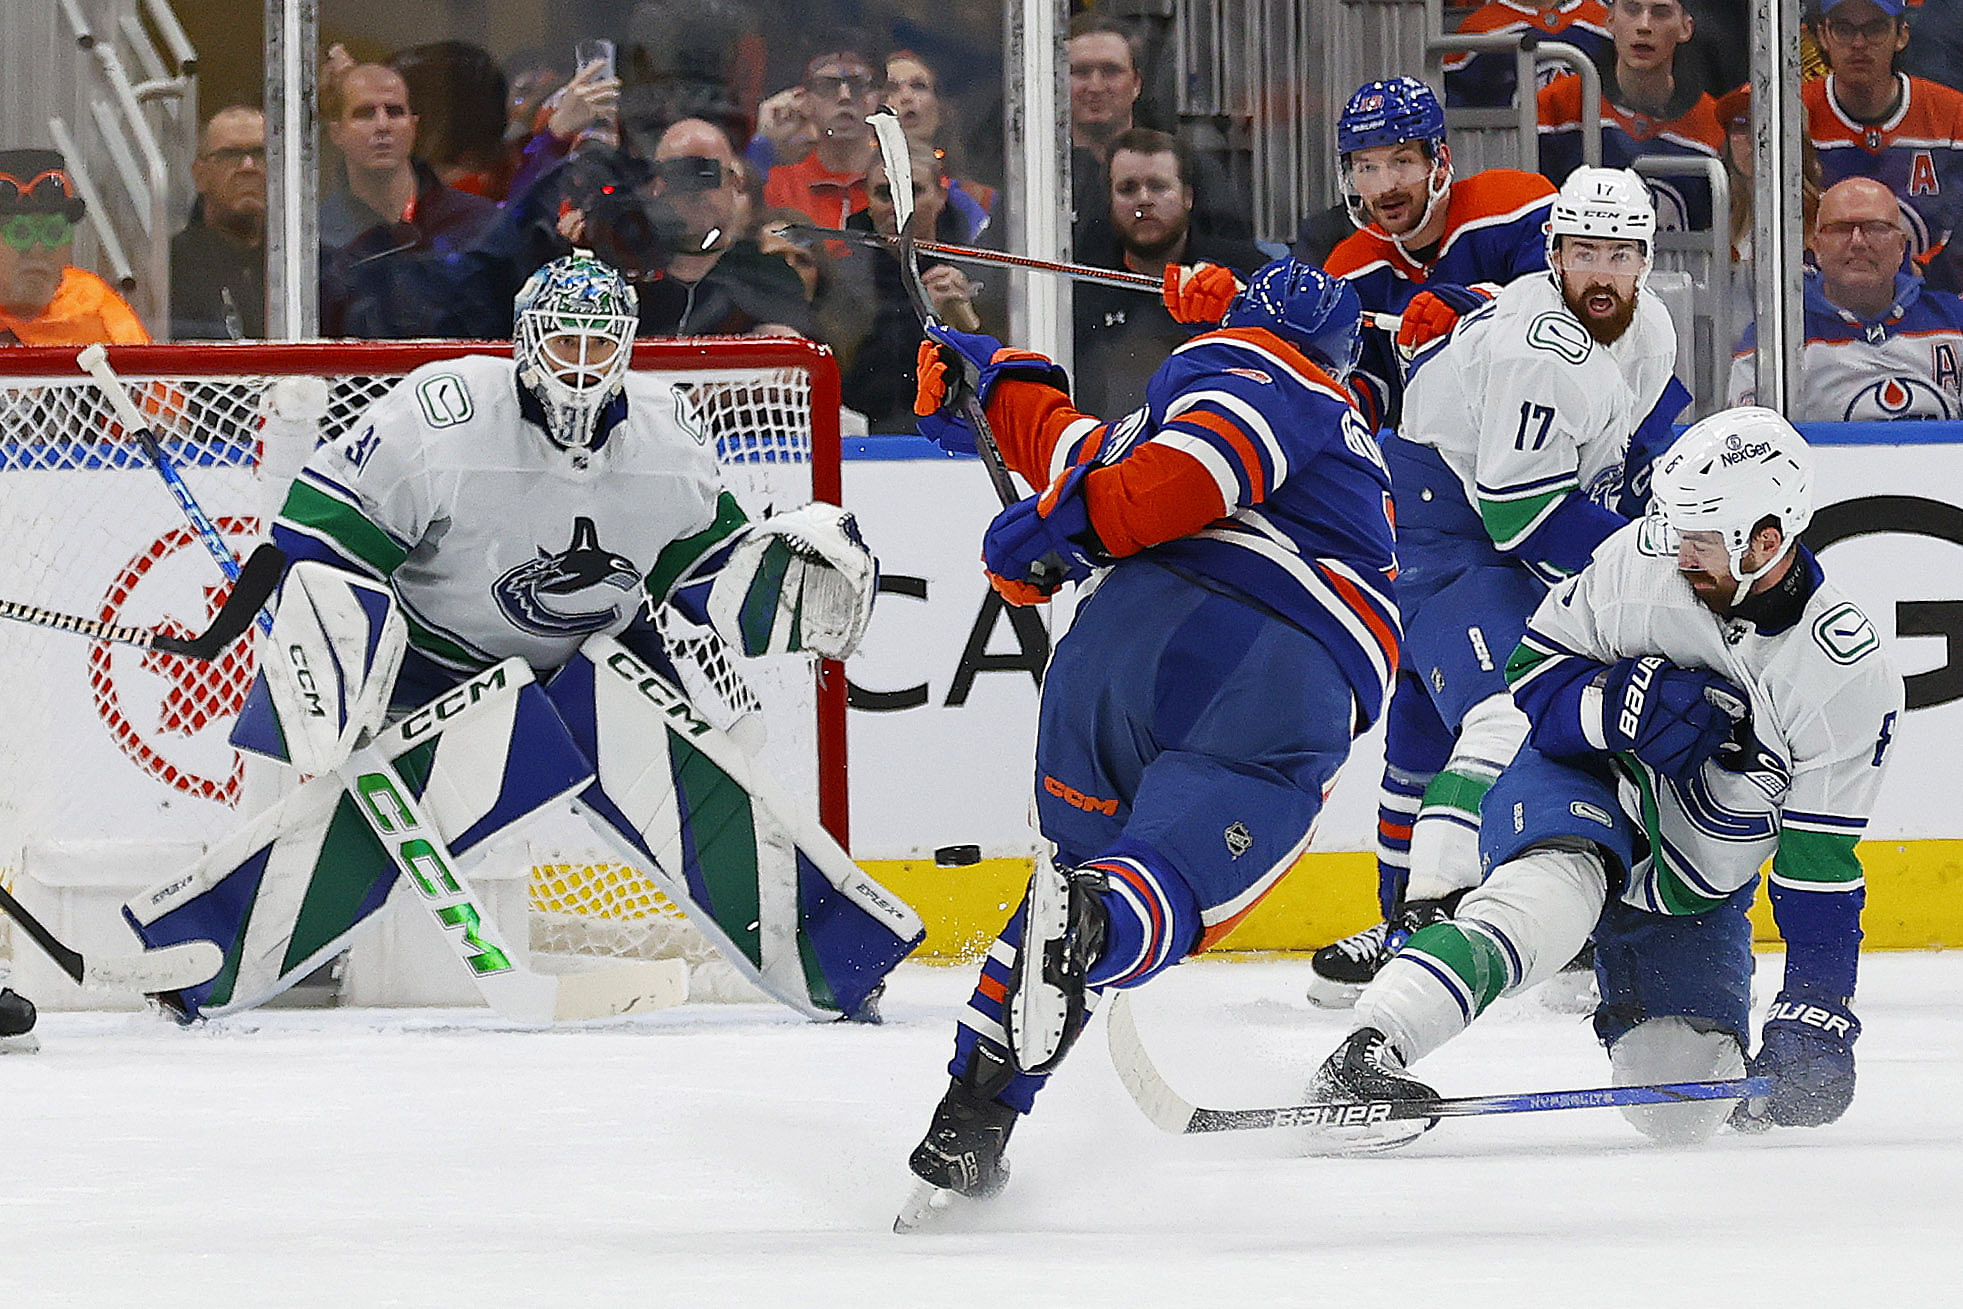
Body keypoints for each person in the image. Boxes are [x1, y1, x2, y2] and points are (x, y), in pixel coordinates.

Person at [133, 252, 904, 1023]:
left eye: (597, 345)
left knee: (708, 778)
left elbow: (704, 572)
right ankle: (197, 957)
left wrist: (776, 591)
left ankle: (838, 960)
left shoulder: (666, 434)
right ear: (524, 340)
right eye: (562, 342)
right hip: (438, 667)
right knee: (372, 823)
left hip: (598, 657)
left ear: (627, 347)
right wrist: (335, 656)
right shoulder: (443, 415)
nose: (579, 365)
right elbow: (322, 533)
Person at [898, 259, 1401, 1220]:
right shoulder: (1287, 382)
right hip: (1258, 659)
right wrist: (1063, 524)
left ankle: (970, 1122)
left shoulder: (1179, 396)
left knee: (1065, 907)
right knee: (1148, 892)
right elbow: (1177, 478)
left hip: (1106, 661)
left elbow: (1095, 458)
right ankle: (1097, 928)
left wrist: (995, 389)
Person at [1311, 411, 1902, 1148]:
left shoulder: (1842, 676)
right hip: (1582, 779)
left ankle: (1635, 991)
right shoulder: (1641, 560)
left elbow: (1819, 871)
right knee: (1549, 898)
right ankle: (1367, 1050)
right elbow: (1529, 675)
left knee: (1679, 1112)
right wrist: (1611, 711)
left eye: (1703, 537)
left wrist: (1813, 1011)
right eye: (1676, 524)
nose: (1679, 550)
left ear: (1767, 540)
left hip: (1689, 881)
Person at [1311, 167, 1689, 1008]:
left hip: (1478, 506)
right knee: (1506, 707)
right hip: (1440, 518)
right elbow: (1521, 520)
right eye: (1583, 249)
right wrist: (1646, 560)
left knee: (1418, 726)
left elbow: (1655, 438)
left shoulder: (1651, 327)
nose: (1601, 270)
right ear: (1552, 253)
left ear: (1645, 259)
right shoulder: (1537, 348)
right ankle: (1424, 922)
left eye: (1619, 252)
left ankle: (1392, 923)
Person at [1730, 176, 1963, 419]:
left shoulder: (1954, 321)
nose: (1858, 242)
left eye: (1875, 228)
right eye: (1841, 229)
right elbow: (1750, 441)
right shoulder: (1776, 338)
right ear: (1817, 247)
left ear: (1901, 247)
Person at [1075, 128, 1268, 416]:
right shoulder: (1080, 283)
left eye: (1158, 186)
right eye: (1127, 188)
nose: (1144, 200)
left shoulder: (1245, 273)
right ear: (1110, 202)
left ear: (1187, 197)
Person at [318, 62, 497, 337]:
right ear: (336, 132)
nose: (382, 126)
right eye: (365, 114)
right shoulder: (315, 236)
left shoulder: (475, 222)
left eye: (395, 112)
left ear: (414, 126)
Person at [1804, 0, 1963, 291]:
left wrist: (1925, 272)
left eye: (1875, 28)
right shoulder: (1793, 113)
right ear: (1823, 36)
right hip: (1818, 303)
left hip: (1934, 299)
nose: (1859, 42)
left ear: (1902, 35)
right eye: (1843, 29)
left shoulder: (1954, 114)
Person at [1537, 0, 1727, 231]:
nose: (1644, 25)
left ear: (1685, 28)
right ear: (1609, 20)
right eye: (1632, 9)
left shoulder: (1714, 123)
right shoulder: (1555, 105)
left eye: (1660, 13)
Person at [630, 117, 816, 338]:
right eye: (679, 173)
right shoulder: (630, 275)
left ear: (735, 182)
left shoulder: (768, 275)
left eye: (706, 173)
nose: (694, 189)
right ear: (656, 186)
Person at [840, 148, 980, 431]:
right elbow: (847, 369)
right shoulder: (842, 278)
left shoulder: (980, 268)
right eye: (885, 194)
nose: (899, 206)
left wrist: (963, 322)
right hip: (869, 439)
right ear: (867, 202)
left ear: (941, 197)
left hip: (959, 438)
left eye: (912, 191)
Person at [0, 148, 149, 347]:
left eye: (53, 233)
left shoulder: (95, 304)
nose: (37, 249)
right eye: (20, 234)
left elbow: (145, 374)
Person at [761, 36, 884, 228]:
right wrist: (764, 140)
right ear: (803, 98)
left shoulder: (905, 184)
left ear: (879, 97)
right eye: (828, 85)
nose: (845, 97)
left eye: (858, 84)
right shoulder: (778, 186)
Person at [171, 106, 267, 340]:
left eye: (261, 153)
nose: (248, 166)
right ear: (200, 175)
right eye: (230, 155)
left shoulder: (307, 263)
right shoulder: (170, 268)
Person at [883, 49, 994, 243]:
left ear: (942, 109)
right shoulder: (855, 190)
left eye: (918, 86)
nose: (906, 96)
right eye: (891, 88)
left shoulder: (981, 199)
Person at [1443, 0, 1613, 109]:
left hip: (1594, 151)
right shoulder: (1479, 28)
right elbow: (1456, 110)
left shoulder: (1606, 20)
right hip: (1509, 153)